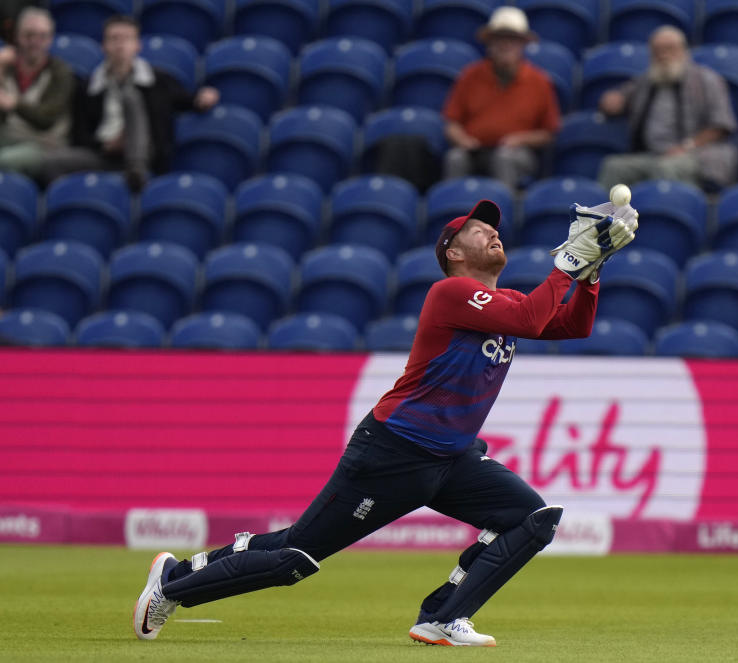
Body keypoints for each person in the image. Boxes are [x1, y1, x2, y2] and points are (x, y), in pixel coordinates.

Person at [133, 199, 638, 646]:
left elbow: (574, 324)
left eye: (493, 226)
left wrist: (592, 270)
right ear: (454, 254)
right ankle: (173, 586)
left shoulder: (506, 304)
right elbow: (532, 319)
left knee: (532, 517)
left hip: (451, 457)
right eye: (476, 229)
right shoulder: (451, 293)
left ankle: (443, 617)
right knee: (296, 556)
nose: (491, 231)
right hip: (392, 452)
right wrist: (570, 263)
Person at [42, 14, 218, 190]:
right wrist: (106, 146)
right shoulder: (88, 87)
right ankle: (70, 199)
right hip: (104, 155)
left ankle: (137, 171)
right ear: (104, 45)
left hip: (145, 156)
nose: (120, 45)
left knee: (130, 97)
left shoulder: (159, 80)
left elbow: (186, 100)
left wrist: (202, 98)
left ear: (137, 45)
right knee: (52, 163)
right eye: (114, 39)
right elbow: (79, 134)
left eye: (127, 38)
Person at [596, 25, 738, 192]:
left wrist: (687, 146)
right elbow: (619, 98)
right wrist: (611, 101)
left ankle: (663, 214)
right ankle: (605, 217)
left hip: (697, 154)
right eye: (657, 51)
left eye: (670, 49)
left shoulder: (707, 80)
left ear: (684, 51)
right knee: (613, 167)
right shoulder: (646, 81)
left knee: (666, 168)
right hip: (652, 155)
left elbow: (721, 126)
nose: (663, 55)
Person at [440, 6, 560, 190]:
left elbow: (548, 133)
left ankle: (501, 214)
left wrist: (520, 139)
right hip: (474, 150)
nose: (505, 45)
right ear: (489, 43)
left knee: (504, 159)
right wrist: (463, 140)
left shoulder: (539, 81)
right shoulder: (470, 76)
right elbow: (451, 124)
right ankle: (454, 213)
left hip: (516, 153)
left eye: (512, 39)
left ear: (523, 44)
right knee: (455, 158)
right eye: (499, 39)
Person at [0, 7, 73, 179]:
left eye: (42, 36)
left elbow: (46, 120)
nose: (35, 41)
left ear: (50, 39)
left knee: (5, 161)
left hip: (45, 144)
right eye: (29, 35)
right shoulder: (8, 68)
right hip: (10, 136)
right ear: (17, 36)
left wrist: (14, 104)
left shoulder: (60, 72)